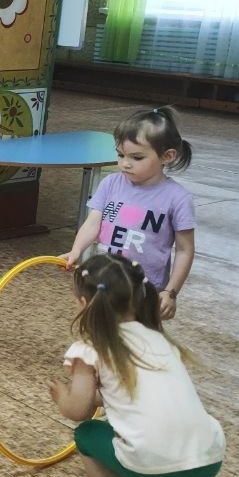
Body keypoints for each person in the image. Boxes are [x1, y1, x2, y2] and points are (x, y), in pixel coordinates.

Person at [48, 253, 225, 477]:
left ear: (84, 304)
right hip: (209, 460)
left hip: (155, 464)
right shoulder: (159, 339)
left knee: (87, 435)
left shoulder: (90, 349)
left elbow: (79, 411)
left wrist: (62, 396)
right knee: (138, 425)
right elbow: (136, 396)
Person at [65, 106, 195, 320]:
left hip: (145, 290)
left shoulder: (177, 198)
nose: (125, 163)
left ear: (167, 156)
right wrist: (76, 250)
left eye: (137, 157)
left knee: (138, 335)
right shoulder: (110, 184)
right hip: (105, 282)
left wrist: (170, 292)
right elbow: (93, 223)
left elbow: (184, 250)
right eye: (120, 154)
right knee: (102, 331)